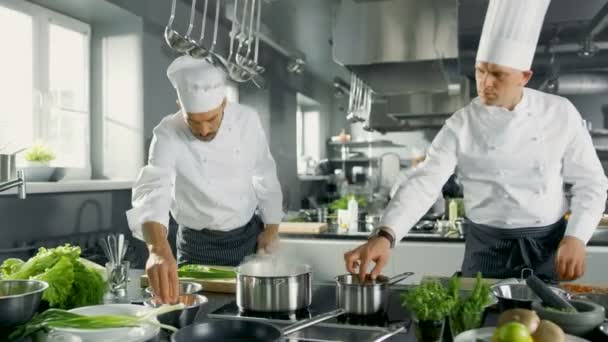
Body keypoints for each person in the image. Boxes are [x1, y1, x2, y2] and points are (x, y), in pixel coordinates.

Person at [345, 0, 608, 283]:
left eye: (497, 74)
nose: (485, 83)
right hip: (485, 248)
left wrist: (577, 236)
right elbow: (425, 181)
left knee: (542, 325)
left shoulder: (560, 113)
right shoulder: (461, 124)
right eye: (481, 70)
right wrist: (386, 234)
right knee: (474, 322)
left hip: (546, 247)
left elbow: (591, 182)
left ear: (524, 76)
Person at [126, 56, 283, 303]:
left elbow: (264, 173)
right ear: (180, 104)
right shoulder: (167, 132)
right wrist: (157, 249)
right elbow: (154, 187)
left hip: (246, 240)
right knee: (197, 317)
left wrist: (272, 228)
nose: (204, 130)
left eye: (211, 119)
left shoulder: (247, 120)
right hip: (195, 244)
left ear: (223, 103)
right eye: (194, 121)